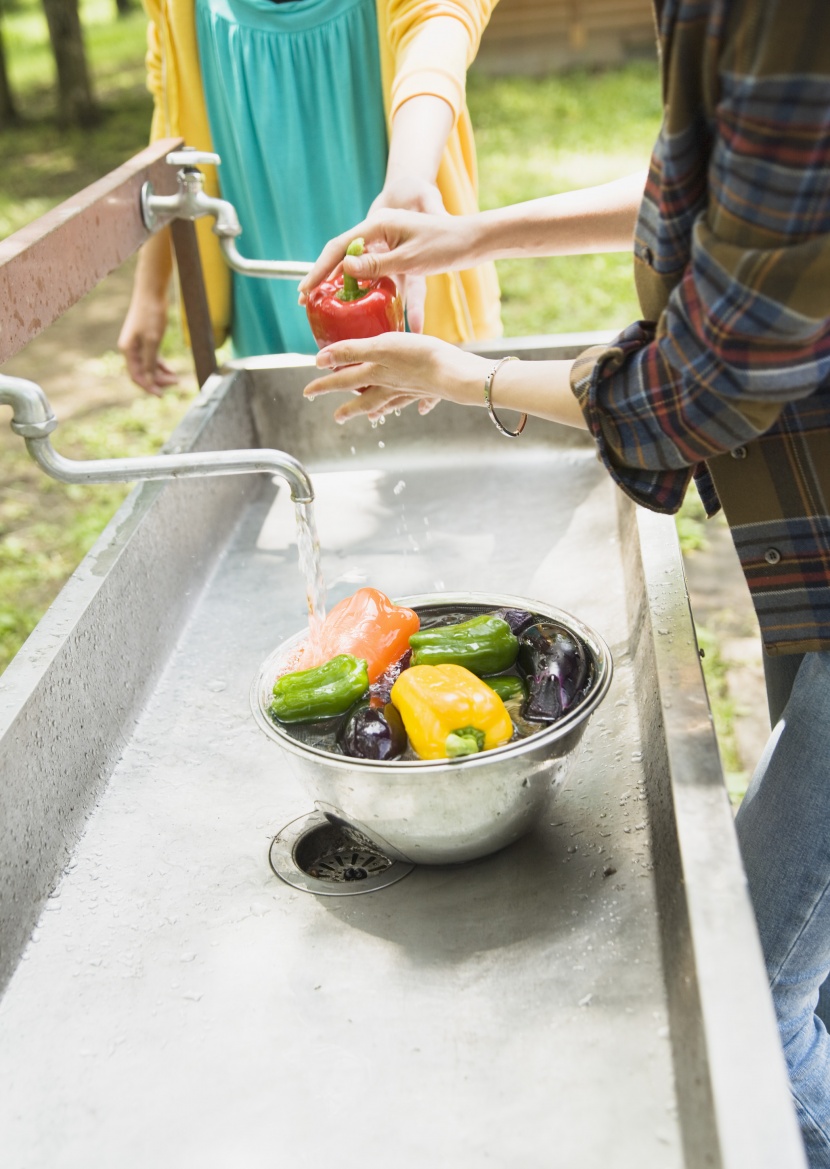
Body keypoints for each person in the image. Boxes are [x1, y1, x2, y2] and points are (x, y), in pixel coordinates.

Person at [298, 1, 830, 1163]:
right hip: (813, 530)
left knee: (749, 969)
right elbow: (714, 202)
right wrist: (468, 236)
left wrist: (469, 375)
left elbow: (711, 376)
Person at [118, 0, 502, 394]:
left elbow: (440, 21)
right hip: (260, 278)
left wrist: (408, 181)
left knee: (428, 405)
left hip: (404, 264)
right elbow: (171, 106)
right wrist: (150, 288)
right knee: (289, 416)